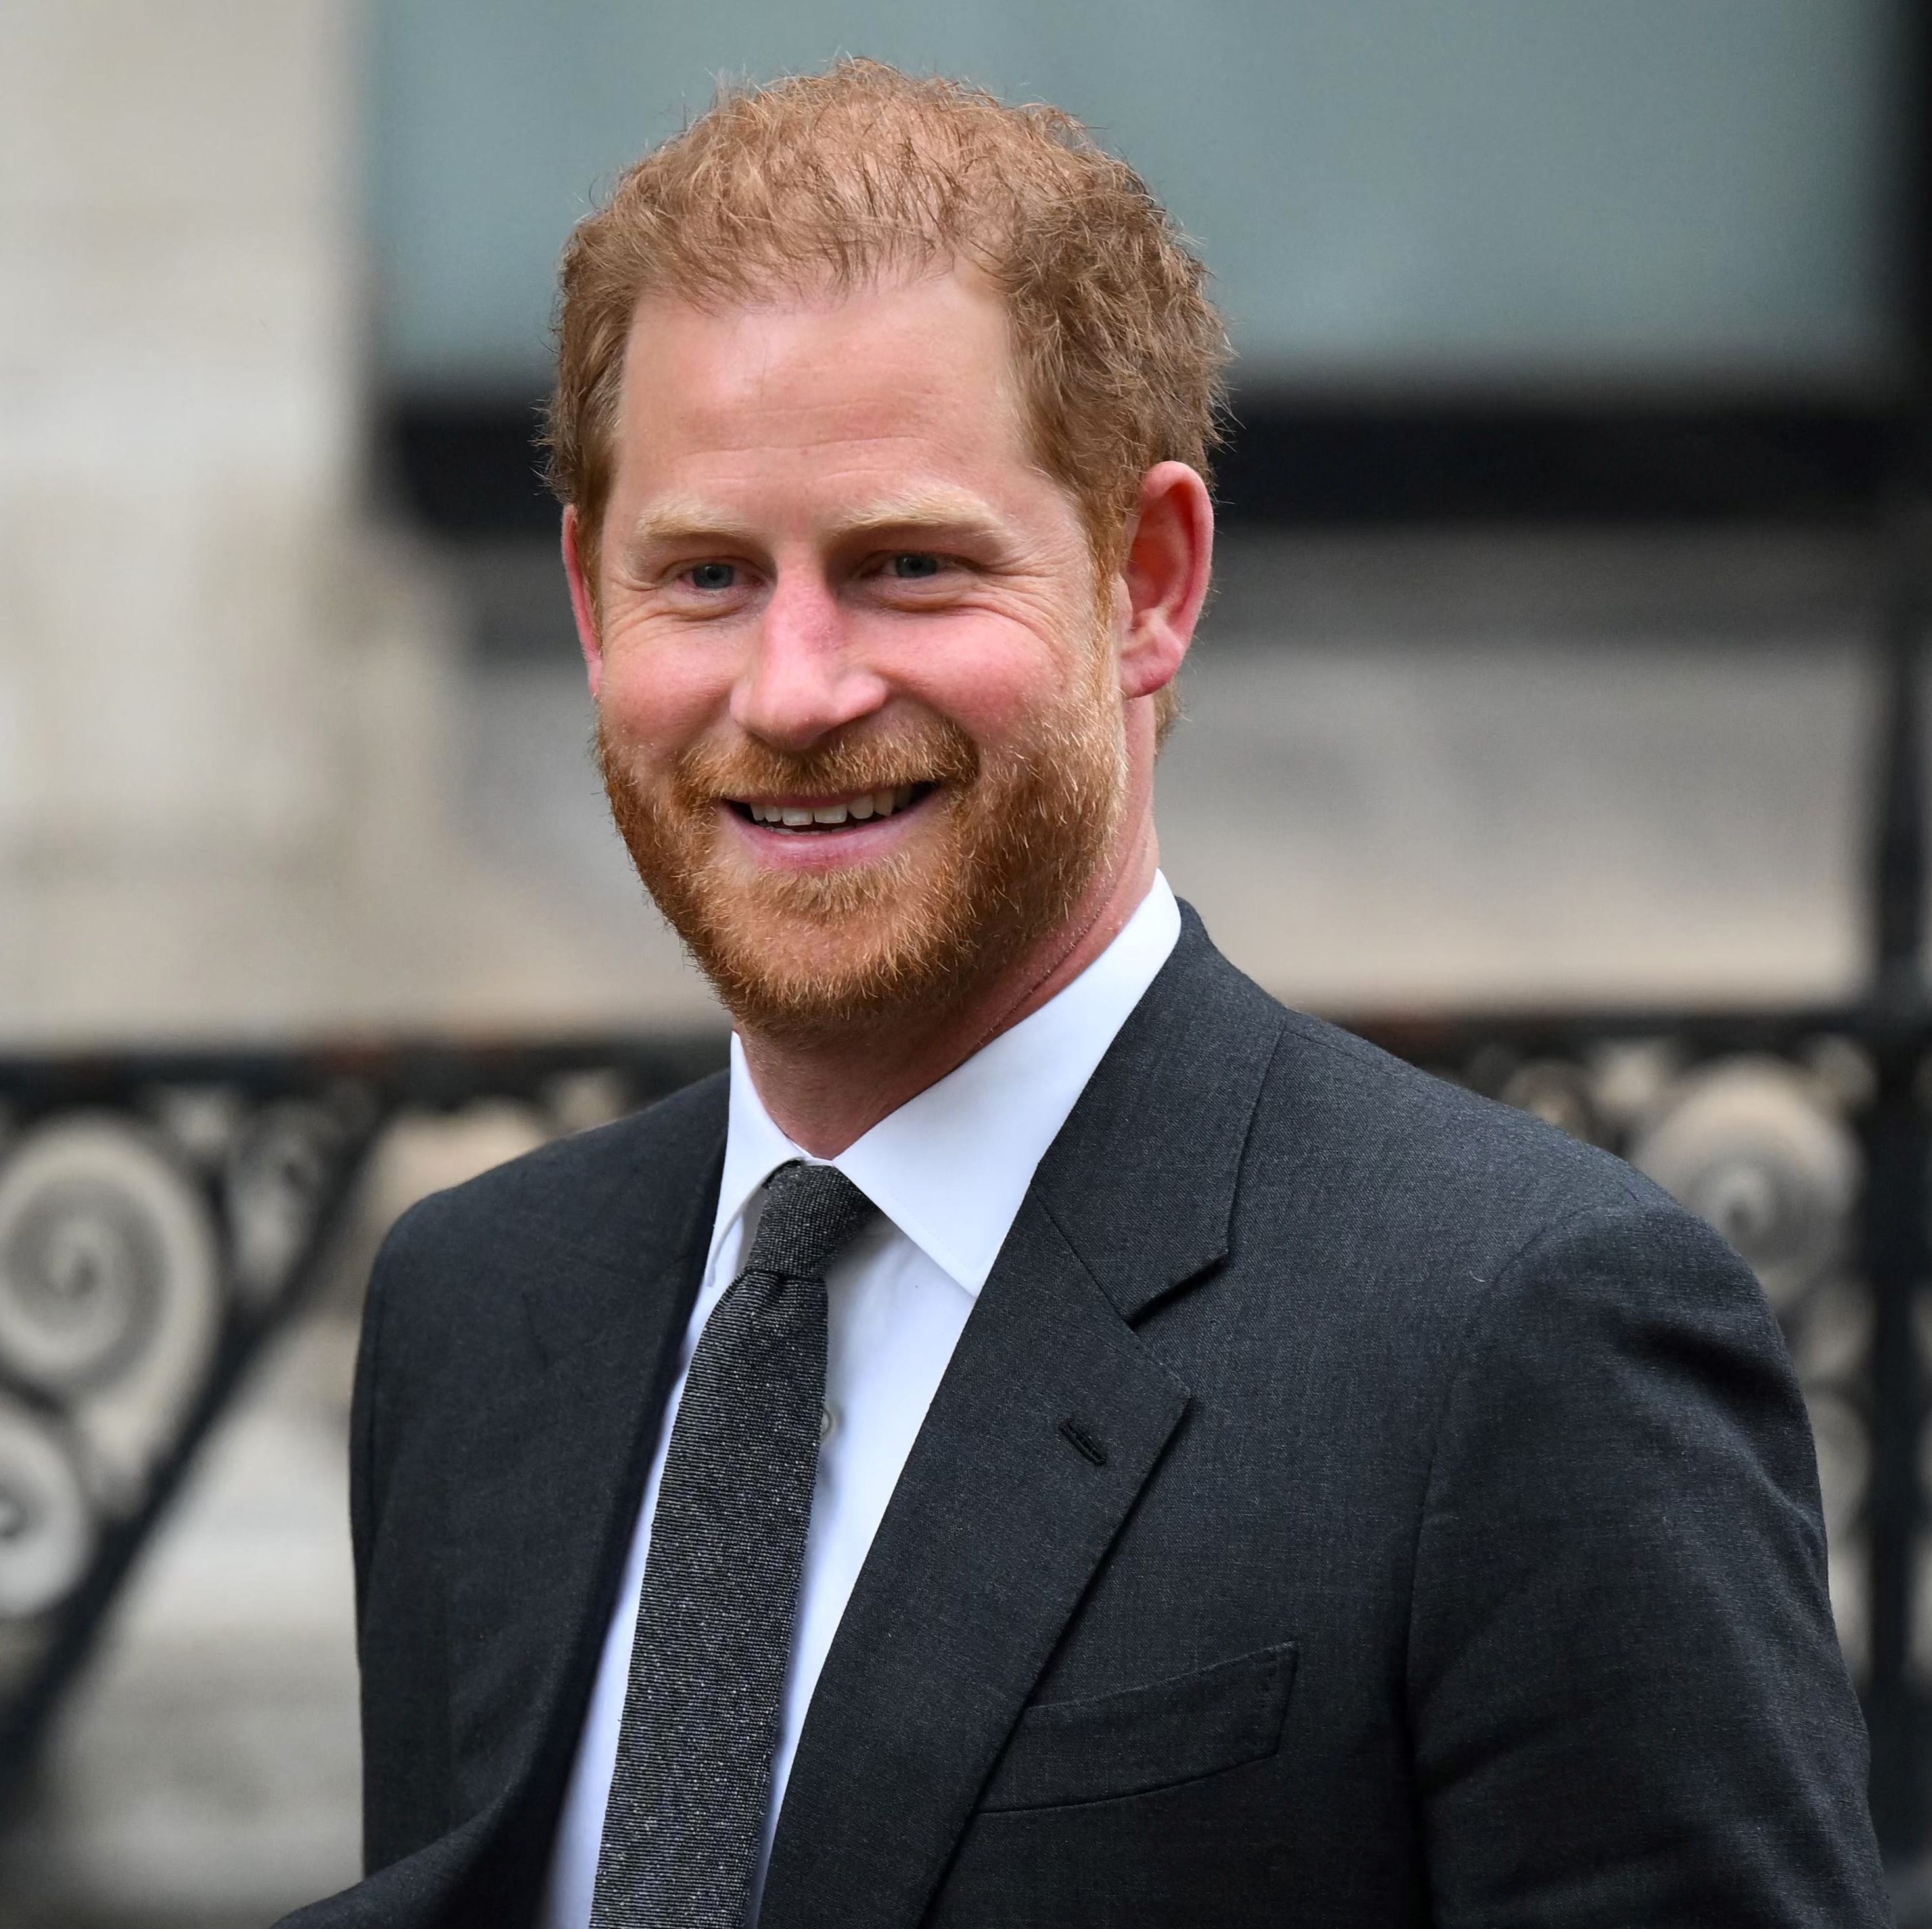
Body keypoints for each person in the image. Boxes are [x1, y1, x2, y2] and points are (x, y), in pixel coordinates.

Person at [284, 60, 1886, 1929]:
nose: (794, 689)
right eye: (705, 575)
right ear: (589, 605)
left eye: (907, 568)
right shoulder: (482, 1313)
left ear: (1149, 582)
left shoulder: (1513, 1342)